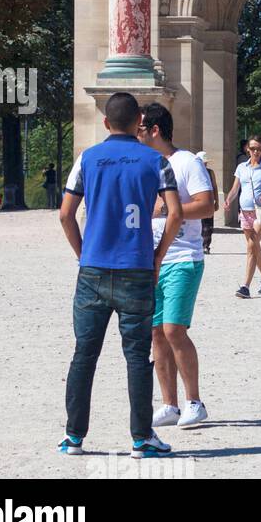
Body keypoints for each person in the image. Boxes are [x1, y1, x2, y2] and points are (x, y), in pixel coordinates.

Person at [57, 91, 182, 458]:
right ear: (138, 123)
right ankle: (141, 438)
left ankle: (74, 436)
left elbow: (65, 214)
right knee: (138, 356)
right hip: (137, 268)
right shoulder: (156, 160)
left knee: (84, 355)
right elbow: (174, 213)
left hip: (93, 269)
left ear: (106, 122)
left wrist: (84, 255)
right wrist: (158, 256)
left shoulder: (88, 158)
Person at [139, 104, 214, 431]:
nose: (135, 134)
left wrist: (168, 209)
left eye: (140, 128)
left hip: (183, 257)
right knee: (155, 333)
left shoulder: (187, 163)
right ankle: (169, 403)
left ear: (155, 130)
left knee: (173, 329)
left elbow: (206, 204)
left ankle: (194, 401)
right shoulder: (145, 164)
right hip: (151, 259)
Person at [226, 136, 261, 297]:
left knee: (251, 247)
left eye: (259, 148)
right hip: (245, 211)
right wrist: (228, 200)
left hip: (260, 212)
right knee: (255, 248)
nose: (256, 151)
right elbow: (236, 188)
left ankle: (245, 286)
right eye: (253, 148)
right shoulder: (242, 167)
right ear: (247, 149)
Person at [196, 151, 219, 255]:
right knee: (197, 224)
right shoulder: (194, 172)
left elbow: (214, 187)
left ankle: (206, 245)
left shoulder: (210, 172)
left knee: (208, 225)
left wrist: (217, 201)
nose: (205, 165)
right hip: (196, 201)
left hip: (208, 200)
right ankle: (198, 245)